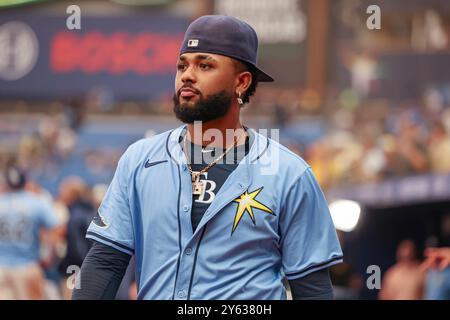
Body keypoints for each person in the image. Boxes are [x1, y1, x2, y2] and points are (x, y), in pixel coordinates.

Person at [73, 15, 343, 300]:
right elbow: (104, 263)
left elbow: (312, 289)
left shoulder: (290, 173)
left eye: (205, 65)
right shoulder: (139, 160)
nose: (187, 75)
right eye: (182, 65)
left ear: (241, 82)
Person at [0, 166, 60, 299]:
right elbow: (56, 230)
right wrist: (50, 257)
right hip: (27, 266)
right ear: (24, 181)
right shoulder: (36, 202)